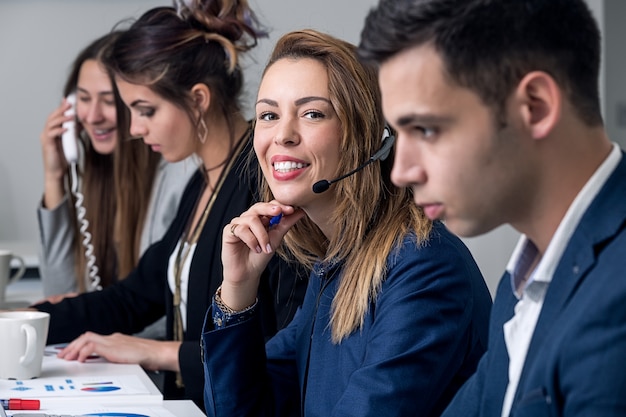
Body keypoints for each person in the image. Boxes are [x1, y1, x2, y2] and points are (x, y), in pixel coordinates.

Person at [201, 29, 492, 417]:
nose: (282, 135)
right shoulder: (336, 265)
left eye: (312, 113)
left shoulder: (424, 267)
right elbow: (244, 410)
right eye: (269, 115)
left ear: (369, 137)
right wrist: (238, 290)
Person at [31, 1, 307, 410]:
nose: (135, 128)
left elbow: (279, 349)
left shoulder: (264, 185)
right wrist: (25, 318)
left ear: (198, 99)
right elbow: (131, 299)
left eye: (146, 111)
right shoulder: (203, 181)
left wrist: (155, 351)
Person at [358, 0, 626, 416]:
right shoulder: (521, 283)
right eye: (398, 133)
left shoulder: (616, 298)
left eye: (426, 129)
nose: (401, 172)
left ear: (534, 106)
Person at [38, 32, 193, 298]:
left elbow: (161, 307)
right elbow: (60, 292)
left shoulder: (178, 173)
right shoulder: (95, 178)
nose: (93, 116)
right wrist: (54, 177)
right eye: (84, 99)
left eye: (109, 101)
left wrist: (94, 319)